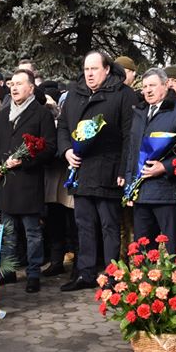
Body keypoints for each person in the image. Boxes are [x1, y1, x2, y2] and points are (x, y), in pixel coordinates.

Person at [57, 51, 135, 291]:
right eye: (86, 69)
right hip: (80, 170)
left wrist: (124, 169)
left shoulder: (123, 94)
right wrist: (67, 150)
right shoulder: (74, 94)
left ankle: (112, 276)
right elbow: (64, 126)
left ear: (107, 69)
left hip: (108, 170)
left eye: (94, 69)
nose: (89, 74)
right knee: (84, 224)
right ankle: (86, 273)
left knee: (109, 226)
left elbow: (129, 137)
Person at [0, 69, 58, 293]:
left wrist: (25, 161)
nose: (14, 87)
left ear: (31, 88)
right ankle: (8, 271)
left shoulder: (41, 114)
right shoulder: (4, 113)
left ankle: (33, 274)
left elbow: (49, 148)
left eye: (19, 84)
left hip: (28, 182)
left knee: (32, 232)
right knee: (8, 231)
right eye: (12, 84)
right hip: (6, 182)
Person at [124, 68, 176, 252]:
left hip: (167, 193)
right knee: (143, 250)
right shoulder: (139, 112)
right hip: (140, 192)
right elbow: (132, 151)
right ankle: (145, 281)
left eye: (152, 85)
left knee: (174, 248)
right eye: (145, 87)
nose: (148, 90)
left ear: (166, 85)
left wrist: (164, 167)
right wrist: (129, 186)